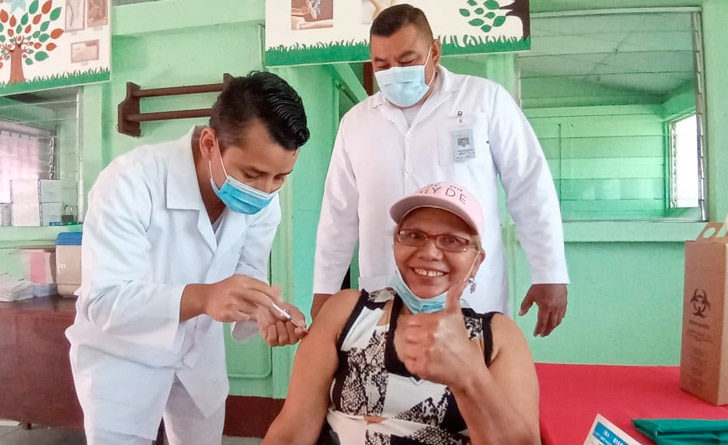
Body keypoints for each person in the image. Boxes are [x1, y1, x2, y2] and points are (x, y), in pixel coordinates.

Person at [66, 71, 310, 445]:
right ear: (210, 143)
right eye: (252, 173)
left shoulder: (264, 200)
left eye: (280, 177)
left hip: (198, 355)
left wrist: (264, 308)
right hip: (123, 355)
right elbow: (104, 301)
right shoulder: (131, 182)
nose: (264, 191)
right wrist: (204, 297)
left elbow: (247, 271)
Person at [312, 4, 569, 337]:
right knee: (390, 379)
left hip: (470, 291)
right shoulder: (356, 123)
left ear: (434, 51)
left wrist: (549, 272)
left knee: (472, 378)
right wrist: (324, 290)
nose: (394, 72)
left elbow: (530, 187)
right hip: (385, 288)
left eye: (406, 61)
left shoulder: (485, 100)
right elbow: (338, 214)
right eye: (382, 64)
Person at [265, 182, 540, 445]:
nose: (430, 252)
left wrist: (469, 376)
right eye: (414, 235)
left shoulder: (497, 336)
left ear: (476, 261)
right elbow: (292, 432)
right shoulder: (346, 311)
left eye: (453, 241)